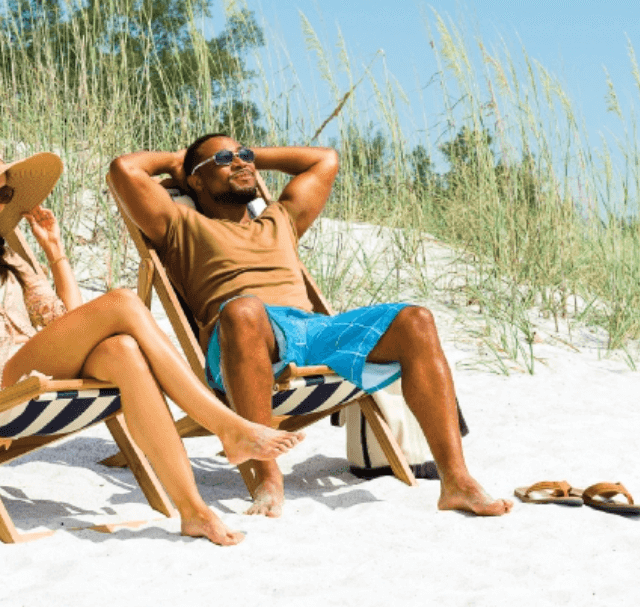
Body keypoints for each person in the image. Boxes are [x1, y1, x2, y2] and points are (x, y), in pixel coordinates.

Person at [0, 142, 304, 548]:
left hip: (31, 362)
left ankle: (193, 511)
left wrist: (55, 255)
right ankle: (226, 425)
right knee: (122, 301)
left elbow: (63, 321)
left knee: (122, 349)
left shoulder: (8, 260)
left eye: (3, 194)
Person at [108, 137, 512, 520]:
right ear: (195, 179)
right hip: (242, 336)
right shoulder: (178, 224)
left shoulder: (280, 217)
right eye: (223, 159)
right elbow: (124, 169)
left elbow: (325, 160)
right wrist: (178, 160)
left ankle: (456, 481)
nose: (240, 162)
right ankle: (267, 475)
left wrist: (251, 158)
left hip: (313, 332)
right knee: (244, 309)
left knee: (415, 320)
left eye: (243, 154)